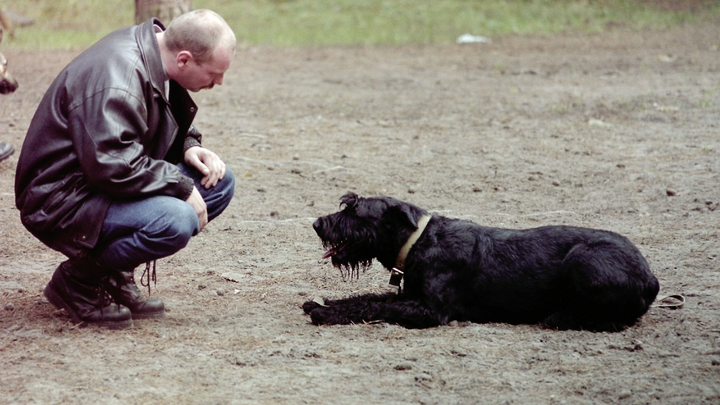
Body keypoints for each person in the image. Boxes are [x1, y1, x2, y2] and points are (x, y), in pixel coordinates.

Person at [14, 9, 237, 329]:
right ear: (185, 60)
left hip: (97, 182)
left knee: (219, 182)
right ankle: (78, 281)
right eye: (215, 73)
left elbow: (148, 115)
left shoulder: (156, 52)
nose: (219, 81)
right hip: (60, 197)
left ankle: (114, 273)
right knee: (177, 219)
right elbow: (113, 164)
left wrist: (190, 146)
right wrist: (179, 185)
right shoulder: (118, 76)